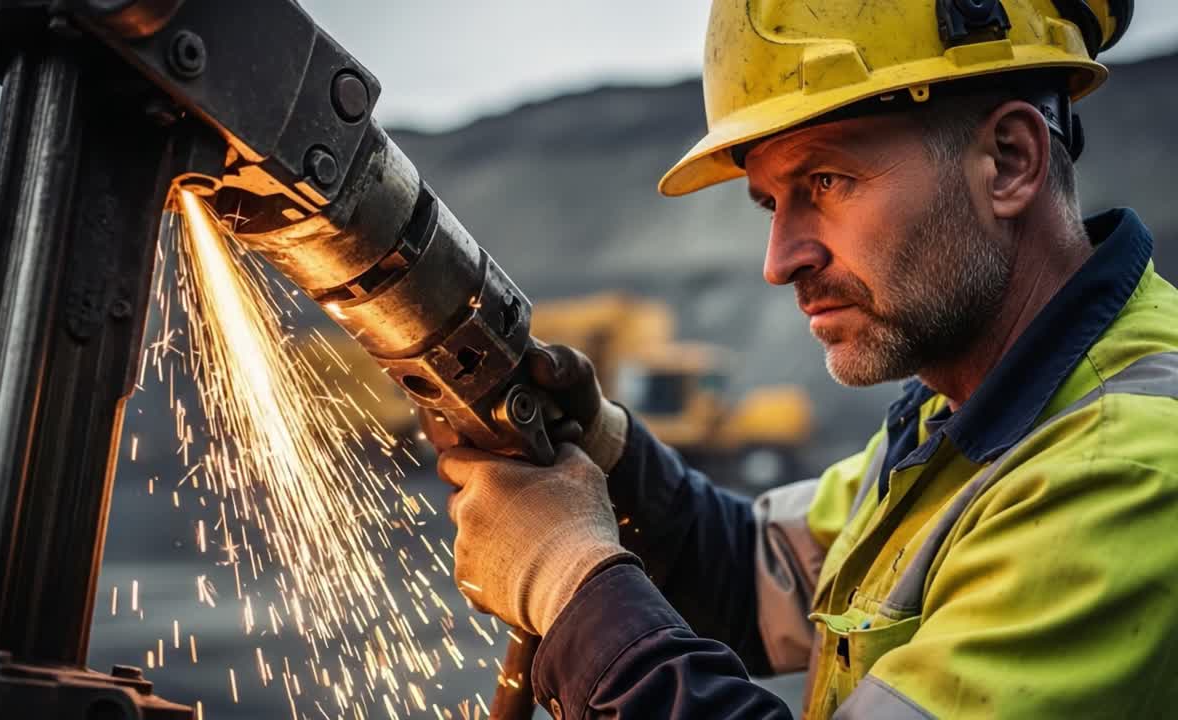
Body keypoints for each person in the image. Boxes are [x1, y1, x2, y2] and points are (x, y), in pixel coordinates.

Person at [429, 1, 1178, 717]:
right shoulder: (958, 420)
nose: (779, 260)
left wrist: (571, 586)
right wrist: (607, 448)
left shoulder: (1123, 473)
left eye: (827, 181)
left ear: (1009, 162)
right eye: (771, 203)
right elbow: (754, 575)